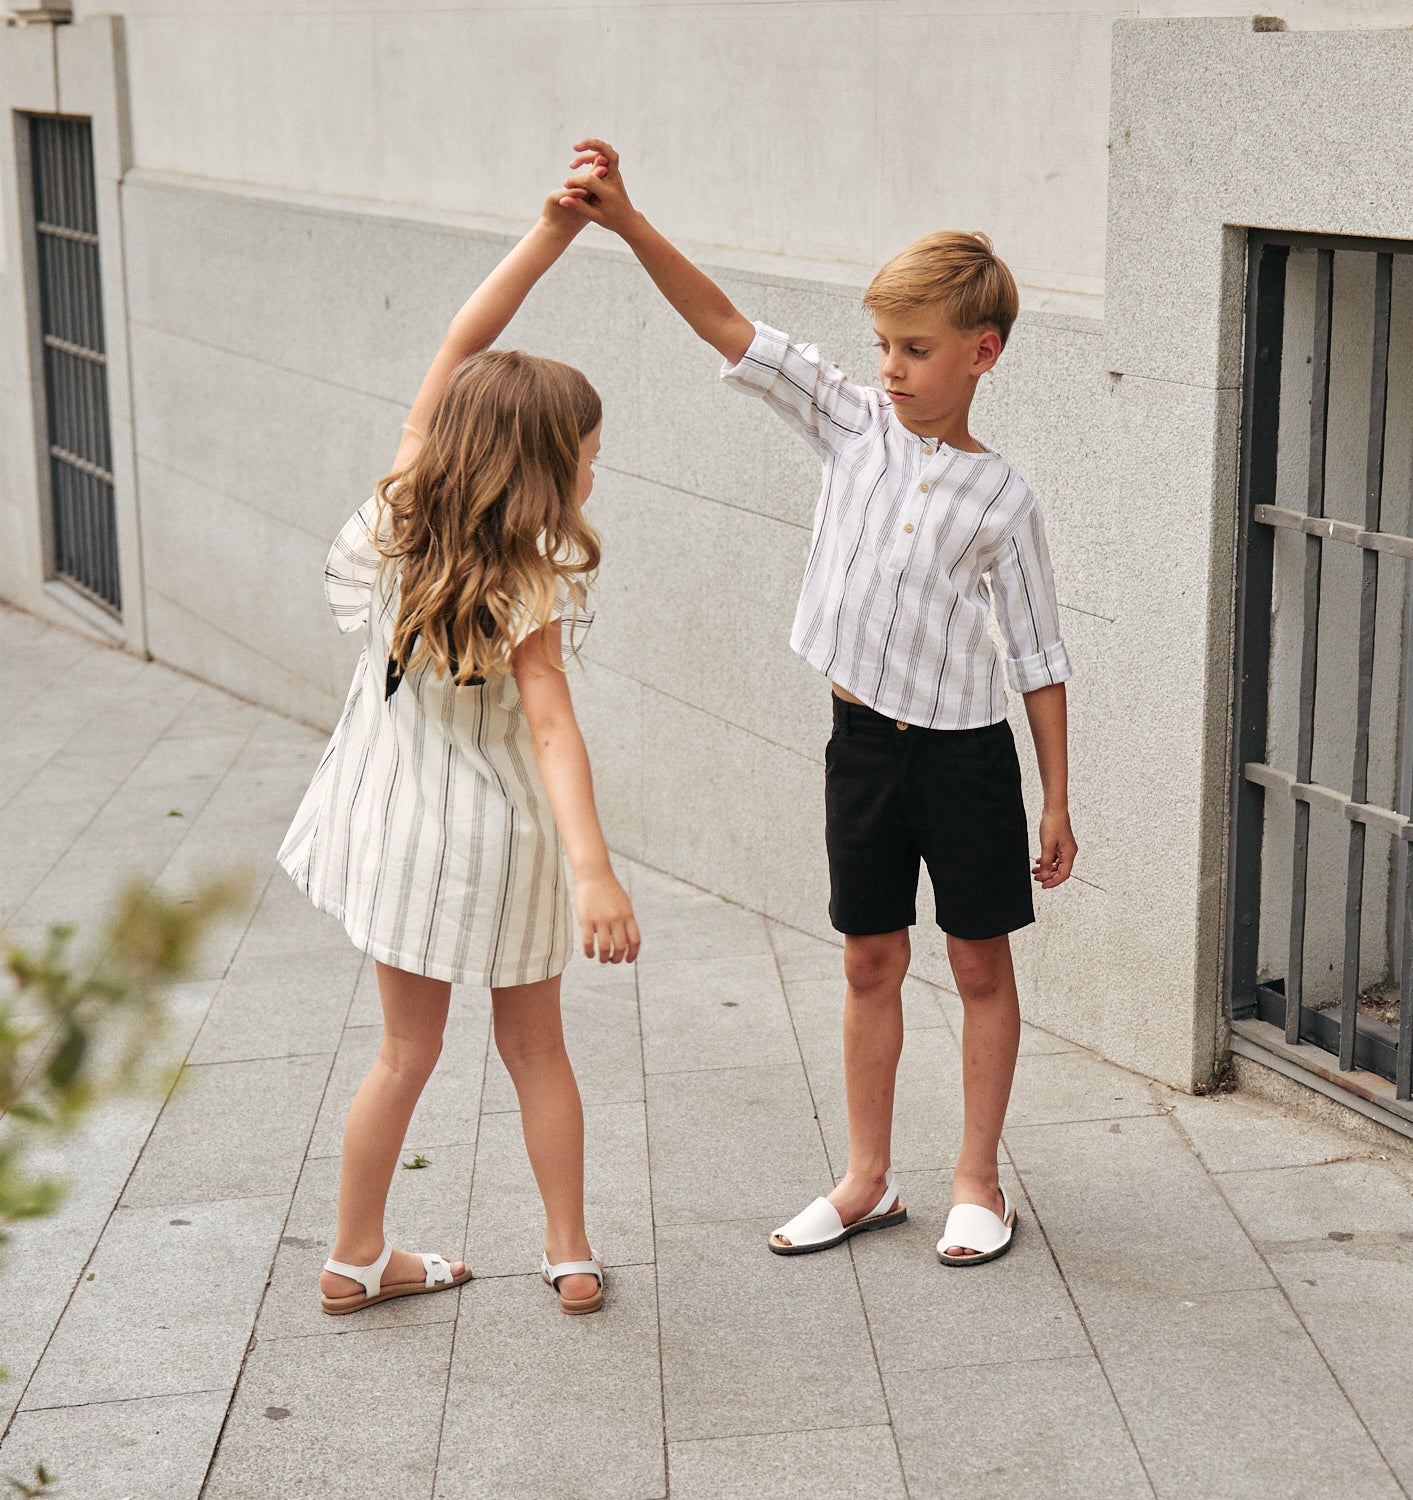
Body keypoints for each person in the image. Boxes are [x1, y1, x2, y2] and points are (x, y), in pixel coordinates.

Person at [560, 140, 1075, 1266]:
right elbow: (727, 325)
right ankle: (866, 1180)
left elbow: (1037, 651)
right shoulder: (850, 423)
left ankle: (978, 1181)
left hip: (969, 757)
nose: (889, 367)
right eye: (883, 344)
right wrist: (628, 221)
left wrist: (1056, 799)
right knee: (866, 960)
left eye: (916, 349)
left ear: (982, 355)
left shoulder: (1004, 498)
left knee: (981, 965)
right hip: (862, 749)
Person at [277, 187, 640, 1318]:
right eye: (586, 455)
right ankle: (570, 1253)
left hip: (391, 832)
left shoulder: (396, 520)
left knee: (402, 1054)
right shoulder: (531, 575)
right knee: (536, 1050)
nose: (593, 471)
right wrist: (593, 870)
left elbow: (460, 341)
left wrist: (550, 234)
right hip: (499, 841)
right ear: (542, 468)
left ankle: (352, 1257)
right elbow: (549, 728)